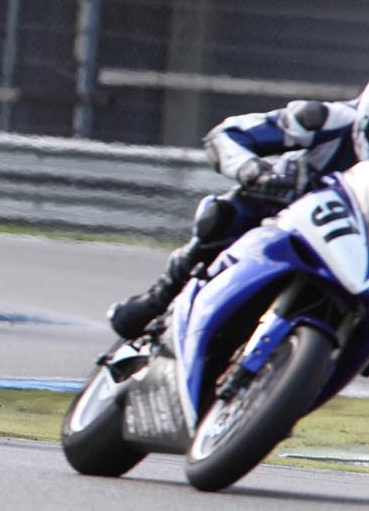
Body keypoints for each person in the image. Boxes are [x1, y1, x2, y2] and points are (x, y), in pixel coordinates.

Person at [108, 90, 369, 340]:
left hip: (354, 265)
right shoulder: (326, 119)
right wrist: (252, 171)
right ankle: (162, 295)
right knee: (227, 213)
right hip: (283, 226)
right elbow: (227, 135)